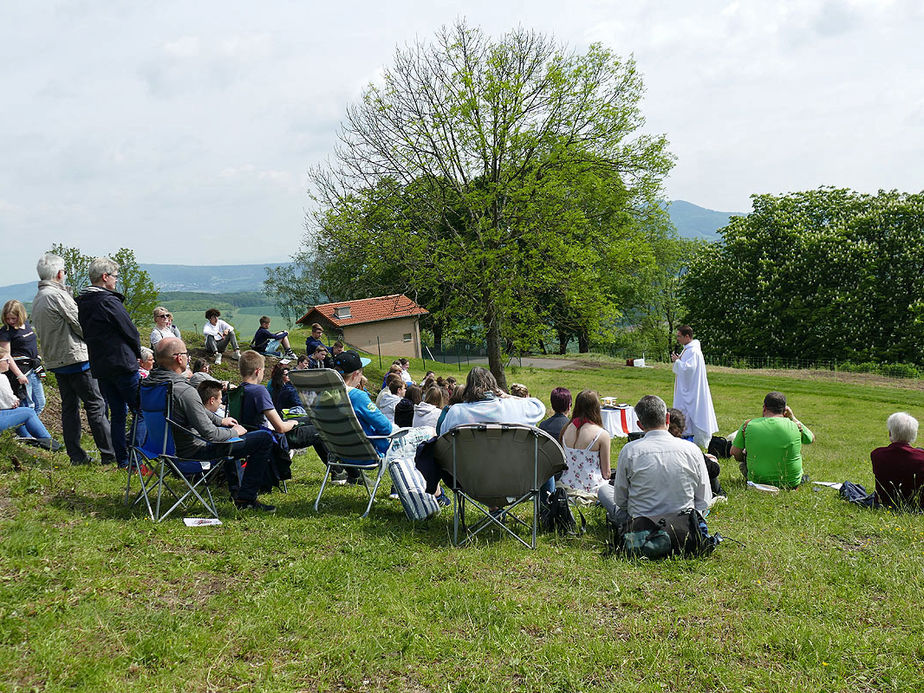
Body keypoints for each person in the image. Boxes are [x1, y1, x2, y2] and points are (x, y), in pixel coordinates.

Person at [148, 338, 277, 511]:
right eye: (187, 354)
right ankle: (245, 500)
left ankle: (236, 490)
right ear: (179, 358)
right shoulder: (183, 390)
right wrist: (236, 432)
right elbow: (212, 435)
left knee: (227, 433)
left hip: (158, 449)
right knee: (264, 438)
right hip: (190, 451)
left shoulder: (149, 385)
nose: (189, 358)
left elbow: (193, 410)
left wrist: (220, 420)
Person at [30, 253, 115, 465]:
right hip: (76, 358)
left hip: (56, 360)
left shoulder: (38, 298)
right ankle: (109, 454)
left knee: (69, 408)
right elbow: (81, 324)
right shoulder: (57, 296)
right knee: (95, 405)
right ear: (59, 274)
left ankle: (76, 456)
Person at [598, 395, 712, 527]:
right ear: (667, 418)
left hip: (641, 524)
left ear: (640, 425)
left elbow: (620, 501)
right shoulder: (692, 450)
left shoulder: (630, 451)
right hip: (683, 523)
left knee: (604, 490)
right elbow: (704, 500)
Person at [76, 257, 143, 469]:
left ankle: (122, 460)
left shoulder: (83, 302)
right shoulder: (108, 301)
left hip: (101, 366)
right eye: (115, 277)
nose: (116, 281)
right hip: (122, 363)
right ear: (105, 277)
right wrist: (137, 353)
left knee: (117, 414)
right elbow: (130, 330)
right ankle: (136, 459)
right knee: (141, 410)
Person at [236, 350, 326, 459]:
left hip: (253, 433)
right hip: (272, 437)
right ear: (258, 371)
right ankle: (339, 472)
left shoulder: (238, 390)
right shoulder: (259, 391)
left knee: (313, 419)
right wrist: (293, 422)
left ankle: (338, 472)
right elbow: (281, 428)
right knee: (323, 430)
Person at [730, 391, 814, 489]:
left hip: (758, 481)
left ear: (764, 407)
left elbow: (735, 453)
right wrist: (793, 418)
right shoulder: (796, 426)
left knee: (743, 465)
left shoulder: (748, 425)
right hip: (791, 483)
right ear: (785, 410)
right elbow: (811, 438)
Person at [438, 367, 545, 434]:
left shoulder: (456, 412)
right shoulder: (513, 407)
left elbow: (443, 437)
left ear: (468, 388)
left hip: (467, 468)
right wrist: (508, 396)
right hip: (511, 467)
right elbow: (539, 406)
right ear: (494, 385)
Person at [0, 300, 46, 437]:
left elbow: (31, 345)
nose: (10, 321)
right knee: (28, 405)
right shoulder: (5, 332)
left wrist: (37, 357)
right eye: (7, 318)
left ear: (20, 315)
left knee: (40, 403)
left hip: (33, 369)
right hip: (20, 371)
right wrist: (19, 375)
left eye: (13, 318)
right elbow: (6, 355)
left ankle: (28, 429)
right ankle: (27, 435)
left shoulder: (26, 326)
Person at [0, 354, 61, 450]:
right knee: (28, 412)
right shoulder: (2, 378)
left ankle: (31, 439)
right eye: (6, 360)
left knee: (23, 413)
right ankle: (50, 444)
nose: (9, 362)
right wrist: (15, 401)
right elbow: (9, 403)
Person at [671, 325, 718, 448]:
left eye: (679, 336)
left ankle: (695, 438)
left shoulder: (693, 351)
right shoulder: (688, 349)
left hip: (691, 389)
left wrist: (677, 361)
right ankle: (685, 435)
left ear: (687, 336)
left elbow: (689, 369)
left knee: (692, 411)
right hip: (687, 387)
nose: (677, 338)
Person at [558, 390, 611, 495]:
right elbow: (606, 473)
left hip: (566, 484)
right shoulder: (601, 434)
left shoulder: (566, 429)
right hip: (592, 487)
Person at [870, 412, 924, 509]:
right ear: (914, 434)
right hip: (915, 506)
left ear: (890, 433)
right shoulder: (921, 457)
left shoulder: (877, 454)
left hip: (885, 503)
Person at [669, 408, 724, 496]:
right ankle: (718, 495)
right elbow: (714, 471)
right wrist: (712, 461)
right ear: (683, 429)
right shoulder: (690, 449)